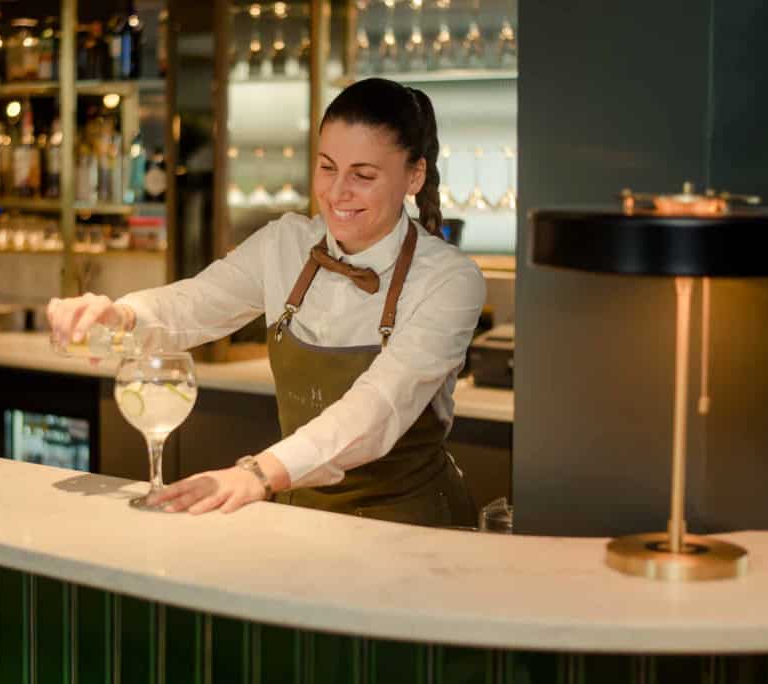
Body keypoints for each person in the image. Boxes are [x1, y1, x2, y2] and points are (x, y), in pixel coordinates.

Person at [47, 77, 486, 527]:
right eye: (327, 167)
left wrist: (258, 474)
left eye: (364, 175)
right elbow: (192, 303)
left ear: (414, 175)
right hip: (304, 520)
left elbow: (377, 410)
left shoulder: (449, 280)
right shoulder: (286, 244)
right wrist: (117, 316)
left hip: (412, 526)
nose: (337, 193)